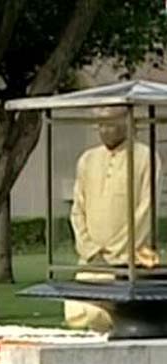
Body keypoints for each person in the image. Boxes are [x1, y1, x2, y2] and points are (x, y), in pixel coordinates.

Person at [65, 106, 161, 330]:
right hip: (92, 261)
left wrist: (118, 250)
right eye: (99, 124)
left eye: (109, 123)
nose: (103, 130)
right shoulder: (87, 159)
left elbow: (147, 209)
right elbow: (77, 209)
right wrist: (89, 247)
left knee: (117, 312)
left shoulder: (145, 157)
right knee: (77, 312)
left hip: (129, 259)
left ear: (127, 122)